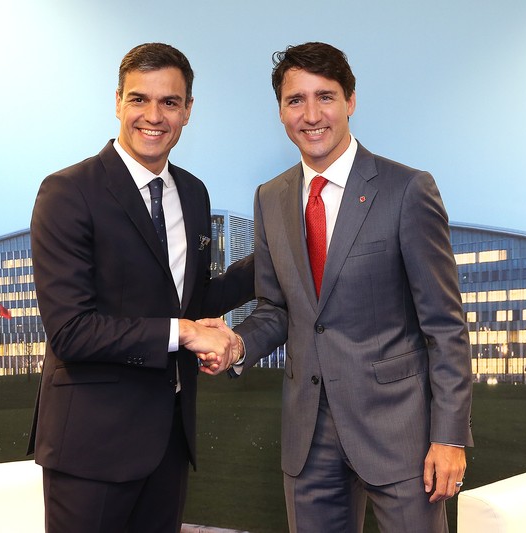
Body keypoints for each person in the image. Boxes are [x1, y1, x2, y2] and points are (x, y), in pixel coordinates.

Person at [202, 42, 473, 532]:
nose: (311, 115)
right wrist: (239, 343)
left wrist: (449, 437)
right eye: (295, 100)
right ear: (281, 110)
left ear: (351, 101)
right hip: (308, 439)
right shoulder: (271, 198)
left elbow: (445, 326)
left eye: (325, 97)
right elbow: (278, 308)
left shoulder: (407, 190)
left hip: (400, 434)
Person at [27, 42, 254, 533]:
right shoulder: (68, 192)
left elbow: (190, 302)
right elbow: (72, 330)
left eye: (169, 102)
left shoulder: (193, 194)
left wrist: (278, 254)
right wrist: (187, 334)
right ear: (117, 103)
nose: (153, 116)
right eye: (139, 99)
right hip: (91, 447)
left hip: (169, 441)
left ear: (188, 111)